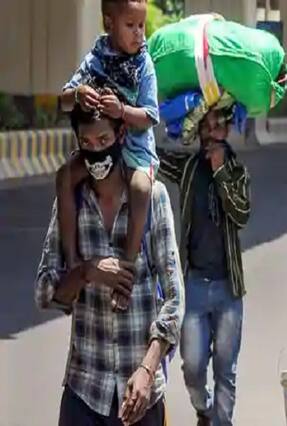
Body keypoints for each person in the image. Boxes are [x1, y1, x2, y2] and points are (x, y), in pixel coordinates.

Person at [35, 104, 184, 426]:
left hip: (140, 396)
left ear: (121, 135)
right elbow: (45, 290)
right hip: (84, 391)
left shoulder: (153, 198)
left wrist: (147, 370)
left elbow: (174, 299)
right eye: (86, 143)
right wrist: (87, 271)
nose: (96, 152)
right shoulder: (71, 204)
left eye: (103, 140)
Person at [58, 0, 159, 310]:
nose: (139, 33)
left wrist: (123, 111)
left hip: (135, 151)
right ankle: (72, 260)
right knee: (65, 176)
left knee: (141, 189)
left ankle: (126, 271)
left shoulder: (143, 64)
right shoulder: (96, 58)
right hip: (98, 149)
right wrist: (78, 94)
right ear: (109, 24)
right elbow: (63, 101)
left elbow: (150, 116)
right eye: (131, 26)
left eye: (141, 26)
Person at [157, 108, 251, 426]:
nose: (211, 133)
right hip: (194, 286)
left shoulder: (238, 171)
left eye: (218, 126)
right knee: (193, 366)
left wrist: (220, 171)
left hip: (228, 289)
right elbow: (155, 158)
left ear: (228, 130)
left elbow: (241, 214)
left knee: (226, 369)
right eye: (206, 127)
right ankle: (204, 409)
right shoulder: (188, 167)